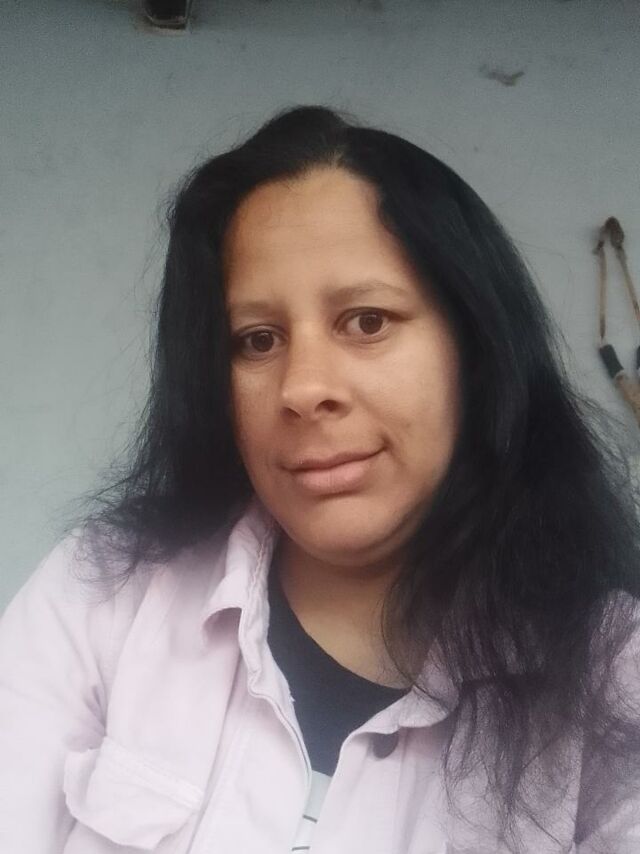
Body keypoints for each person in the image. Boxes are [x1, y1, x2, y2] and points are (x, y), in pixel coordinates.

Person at [1, 105, 639, 854]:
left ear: (476, 350)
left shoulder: (613, 678)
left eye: (366, 321)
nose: (302, 388)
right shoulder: (104, 594)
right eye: (256, 339)